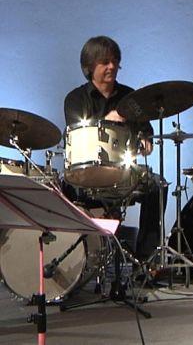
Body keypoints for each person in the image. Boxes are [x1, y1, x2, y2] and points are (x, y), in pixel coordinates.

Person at [64, 35, 165, 260]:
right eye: (105, 62)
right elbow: (78, 138)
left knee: (157, 186)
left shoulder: (131, 97)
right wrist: (108, 120)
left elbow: (145, 132)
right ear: (90, 66)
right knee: (64, 188)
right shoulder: (75, 99)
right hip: (86, 175)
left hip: (124, 173)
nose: (112, 66)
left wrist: (145, 142)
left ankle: (146, 260)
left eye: (115, 61)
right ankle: (77, 260)